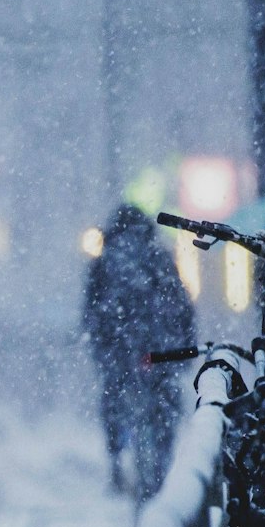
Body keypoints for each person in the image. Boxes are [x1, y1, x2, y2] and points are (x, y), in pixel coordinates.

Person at [82, 204, 195, 501]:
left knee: (115, 401)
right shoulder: (158, 258)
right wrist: (181, 351)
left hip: (120, 355)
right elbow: (181, 305)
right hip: (159, 354)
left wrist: (104, 351)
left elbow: (92, 314)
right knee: (163, 411)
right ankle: (159, 470)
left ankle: (118, 460)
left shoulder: (104, 262)